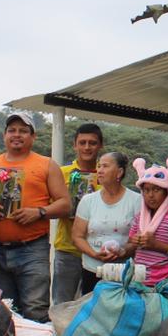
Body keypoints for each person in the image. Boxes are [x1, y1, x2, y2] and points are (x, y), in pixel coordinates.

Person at [0, 112, 72, 322]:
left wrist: (39, 212)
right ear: (4, 135)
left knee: (35, 309)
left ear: (33, 136)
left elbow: (65, 204)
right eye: (12, 130)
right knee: (2, 311)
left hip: (32, 249)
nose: (17, 135)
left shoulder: (46, 164)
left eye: (23, 131)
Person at [71, 151, 141, 293]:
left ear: (119, 172)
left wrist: (123, 251)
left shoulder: (136, 200)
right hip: (92, 269)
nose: (100, 170)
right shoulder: (88, 200)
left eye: (105, 166)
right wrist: (94, 254)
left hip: (123, 271)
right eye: (99, 166)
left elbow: (139, 237)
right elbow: (77, 236)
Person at [52, 123, 104, 306]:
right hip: (68, 249)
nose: (87, 147)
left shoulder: (106, 174)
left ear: (100, 145)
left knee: (93, 304)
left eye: (92, 143)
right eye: (82, 143)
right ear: (74, 145)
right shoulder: (62, 173)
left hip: (97, 250)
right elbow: (52, 205)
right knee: (62, 304)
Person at [125, 156, 168, 283]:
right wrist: (133, 243)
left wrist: (156, 245)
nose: (151, 195)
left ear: (167, 191)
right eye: (146, 190)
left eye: (156, 190)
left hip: (166, 282)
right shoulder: (139, 217)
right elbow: (128, 247)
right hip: (137, 282)